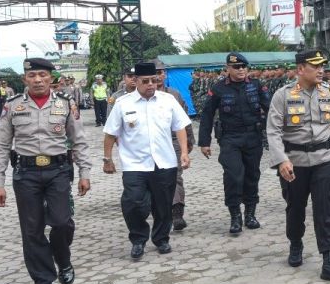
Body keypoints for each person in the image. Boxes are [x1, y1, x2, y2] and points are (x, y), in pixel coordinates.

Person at [0, 57, 91, 284]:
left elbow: (78, 141)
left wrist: (85, 173)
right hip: (26, 174)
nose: (37, 80)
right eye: (32, 76)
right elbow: (1, 145)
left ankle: (63, 259)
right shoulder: (12, 106)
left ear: (51, 79)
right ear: (25, 79)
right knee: (32, 231)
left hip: (58, 171)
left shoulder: (66, 104)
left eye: (42, 76)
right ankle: (43, 282)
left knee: (62, 222)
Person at [265, 49, 330, 282]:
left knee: (324, 210)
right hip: (294, 163)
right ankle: (295, 243)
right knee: (295, 208)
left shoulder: (328, 93)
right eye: (316, 66)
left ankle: (329, 261)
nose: (321, 70)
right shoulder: (282, 95)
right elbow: (273, 130)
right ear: (300, 69)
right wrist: (281, 160)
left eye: (323, 65)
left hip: (324, 159)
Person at [103, 62, 191, 259]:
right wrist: (107, 159)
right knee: (133, 203)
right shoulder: (123, 103)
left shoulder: (168, 100)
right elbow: (110, 134)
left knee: (163, 205)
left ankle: (161, 239)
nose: (151, 84)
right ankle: (138, 239)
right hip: (134, 164)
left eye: (154, 80)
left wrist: (184, 152)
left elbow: (180, 127)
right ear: (136, 81)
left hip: (165, 162)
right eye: (146, 81)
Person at [198, 52, 272, 235]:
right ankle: (235, 217)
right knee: (233, 176)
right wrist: (204, 142)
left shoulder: (256, 85)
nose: (241, 70)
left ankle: (250, 215)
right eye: (236, 67)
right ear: (228, 69)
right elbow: (207, 114)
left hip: (253, 138)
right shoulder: (218, 88)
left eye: (243, 67)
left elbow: (271, 110)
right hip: (230, 139)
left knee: (252, 175)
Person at [154, 60, 195, 231]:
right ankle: (160, 211)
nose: (159, 75)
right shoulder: (138, 96)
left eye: (162, 72)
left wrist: (189, 141)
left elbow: (184, 120)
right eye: (156, 72)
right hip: (152, 143)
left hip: (173, 140)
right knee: (155, 179)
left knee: (175, 176)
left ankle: (177, 212)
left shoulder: (174, 95)